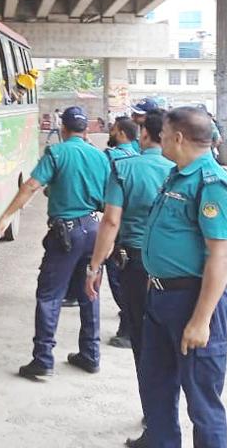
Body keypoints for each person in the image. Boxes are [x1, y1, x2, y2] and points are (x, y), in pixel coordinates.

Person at [138, 106, 227, 448]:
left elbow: (220, 255)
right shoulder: (177, 174)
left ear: (178, 137)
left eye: (163, 134)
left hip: (191, 300)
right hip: (160, 298)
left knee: (202, 402)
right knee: (156, 387)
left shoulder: (212, 184)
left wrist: (201, 319)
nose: (159, 139)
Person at [0, 106, 109, 378]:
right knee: (89, 293)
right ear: (86, 130)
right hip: (94, 229)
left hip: (65, 234)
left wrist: (5, 218)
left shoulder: (57, 152)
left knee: (49, 296)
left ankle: (43, 359)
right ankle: (91, 354)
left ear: (63, 129)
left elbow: (31, 185)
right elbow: (106, 198)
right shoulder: (99, 157)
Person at [85, 109, 174, 448]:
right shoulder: (180, 171)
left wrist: (94, 267)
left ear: (145, 134)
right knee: (171, 341)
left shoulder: (124, 169)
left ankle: (155, 418)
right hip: (172, 269)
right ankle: (167, 414)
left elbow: (109, 222)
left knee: (144, 343)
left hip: (135, 266)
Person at [102, 115, 140, 348]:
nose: (111, 132)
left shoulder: (110, 158)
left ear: (122, 133)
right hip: (140, 230)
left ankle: (128, 326)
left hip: (119, 227)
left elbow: (107, 205)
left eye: (114, 129)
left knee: (118, 277)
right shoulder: (140, 157)